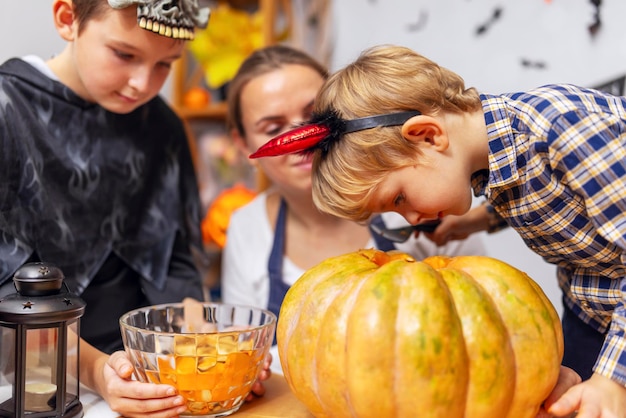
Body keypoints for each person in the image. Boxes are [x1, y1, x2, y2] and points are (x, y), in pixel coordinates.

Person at [249, 44, 626, 416]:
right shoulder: (497, 155)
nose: (412, 218)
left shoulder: (567, 130)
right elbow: (549, 189)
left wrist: (613, 380)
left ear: (428, 136)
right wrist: (480, 218)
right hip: (590, 314)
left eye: (399, 199)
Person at [0, 1, 268, 416]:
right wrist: (100, 372)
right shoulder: (8, 111)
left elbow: (176, 262)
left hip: (148, 375)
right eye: (125, 55)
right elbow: (8, 294)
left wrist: (209, 352)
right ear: (67, 19)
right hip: (36, 381)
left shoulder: (163, 126)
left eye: (166, 64)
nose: (144, 84)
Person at [220, 44, 488, 375]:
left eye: (314, 115)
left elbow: (482, 324)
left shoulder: (423, 193)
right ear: (244, 143)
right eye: (274, 129)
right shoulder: (246, 226)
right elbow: (241, 351)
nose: (304, 139)